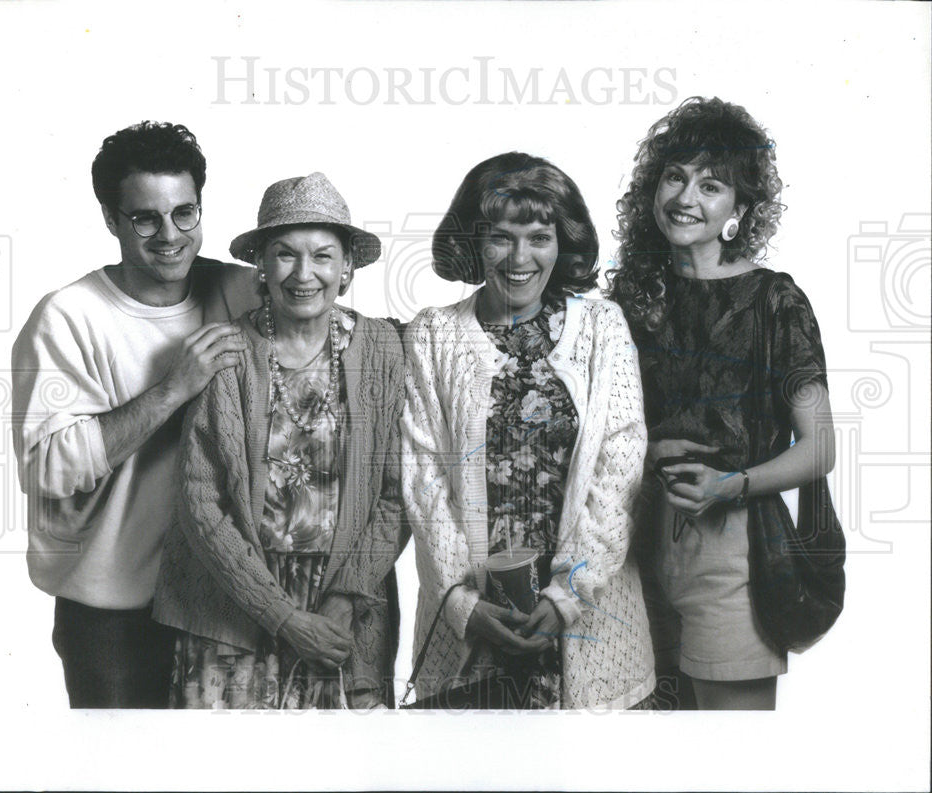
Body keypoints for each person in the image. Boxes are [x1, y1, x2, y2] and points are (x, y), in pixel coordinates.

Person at [11, 121, 262, 708]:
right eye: (144, 218)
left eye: (185, 213)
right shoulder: (68, 317)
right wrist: (173, 389)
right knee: (119, 771)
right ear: (110, 219)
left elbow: (322, 301)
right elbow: (47, 470)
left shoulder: (242, 289)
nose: (169, 235)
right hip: (113, 612)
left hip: (221, 599)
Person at [401, 152, 656, 709]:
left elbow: (621, 466)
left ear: (562, 242)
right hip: (473, 624)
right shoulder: (432, 334)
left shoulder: (601, 326)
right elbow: (422, 481)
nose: (521, 258)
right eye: (501, 237)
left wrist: (568, 595)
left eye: (539, 236)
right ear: (474, 243)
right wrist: (461, 605)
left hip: (590, 617)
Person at [607, 97, 836, 710]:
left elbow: (820, 449)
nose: (686, 196)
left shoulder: (774, 302)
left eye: (711, 185)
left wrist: (728, 485)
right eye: (675, 176)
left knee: (733, 760)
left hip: (733, 549)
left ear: (740, 210)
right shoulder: (625, 302)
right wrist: (649, 451)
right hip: (628, 547)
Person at [153, 172, 407, 709]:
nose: (304, 274)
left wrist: (343, 597)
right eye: (285, 254)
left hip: (344, 607)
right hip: (233, 606)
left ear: (347, 268)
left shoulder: (382, 347)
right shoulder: (225, 354)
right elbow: (201, 504)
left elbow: (395, 493)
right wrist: (281, 615)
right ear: (261, 266)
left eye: (322, 256)